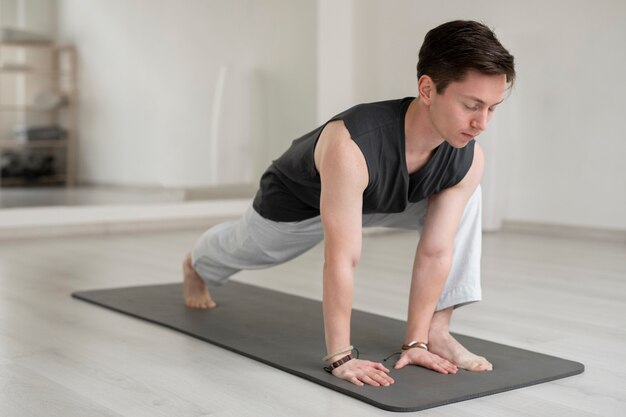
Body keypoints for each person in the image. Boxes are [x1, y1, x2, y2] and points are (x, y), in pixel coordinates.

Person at [183, 20, 515, 387]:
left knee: (468, 197)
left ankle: (433, 332)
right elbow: (342, 257)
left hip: (390, 197)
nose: (481, 123)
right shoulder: (353, 144)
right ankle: (195, 264)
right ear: (427, 89)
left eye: (492, 109)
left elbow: (437, 252)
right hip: (299, 204)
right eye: (472, 105)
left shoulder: (467, 156)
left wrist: (415, 341)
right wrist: (340, 357)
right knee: (246, 248)